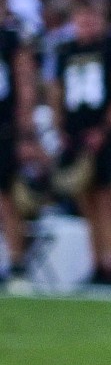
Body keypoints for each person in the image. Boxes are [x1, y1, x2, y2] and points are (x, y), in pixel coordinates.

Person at [45, 0, 111, 285]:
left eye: (90, 16)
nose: (85, 23)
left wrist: (105, 128)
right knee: (85, 198)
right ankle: (99, 262)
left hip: (103, 131)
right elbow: (56, 91)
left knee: (107, 196)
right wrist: (59, 126)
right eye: (81, 17)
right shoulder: (66, 50)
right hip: (76, 132)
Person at [0, 16, 32, 281]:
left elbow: (25, 87)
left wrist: (24, 134)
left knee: (5, 198)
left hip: (4, 131)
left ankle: (17, 262)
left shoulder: (10, 39)